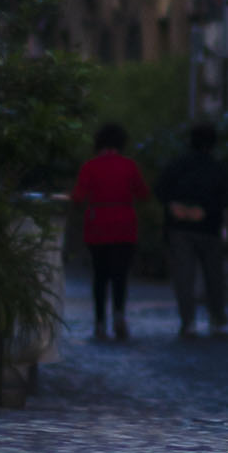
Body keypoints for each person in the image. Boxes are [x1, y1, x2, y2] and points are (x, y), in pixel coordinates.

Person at [70, 122, 150, 343]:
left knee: (100, 276)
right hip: (124, 224)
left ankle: (99, 323)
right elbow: (143, 193)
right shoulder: (129, 166)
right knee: (120, 275)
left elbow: (77, 197)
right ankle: (119, 315)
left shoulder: (90, 166)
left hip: (98, 225)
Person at [156, 121, 228, 339]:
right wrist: (205, 211)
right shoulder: (218, 167)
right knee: (213, 275)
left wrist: (176, 207)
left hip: (180, 227)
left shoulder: (177, 165)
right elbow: (227, 196)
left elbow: (161, 190)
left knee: (184, 276)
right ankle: (217, 318)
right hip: (208, 226)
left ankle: (188, 320)